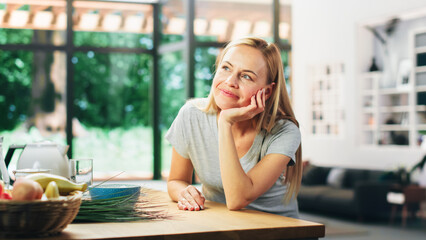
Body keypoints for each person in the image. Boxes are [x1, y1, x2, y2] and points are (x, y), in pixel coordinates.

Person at [165, 37, 302, 218]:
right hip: (223, 226)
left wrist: (225, 123)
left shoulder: (285, 132)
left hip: (278, 232)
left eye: (246, 76)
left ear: (267, 91)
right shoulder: (191, 114)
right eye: (226, 68)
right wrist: (184, 193)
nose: (230, 81)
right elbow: (176, 180)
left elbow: (237, 199)